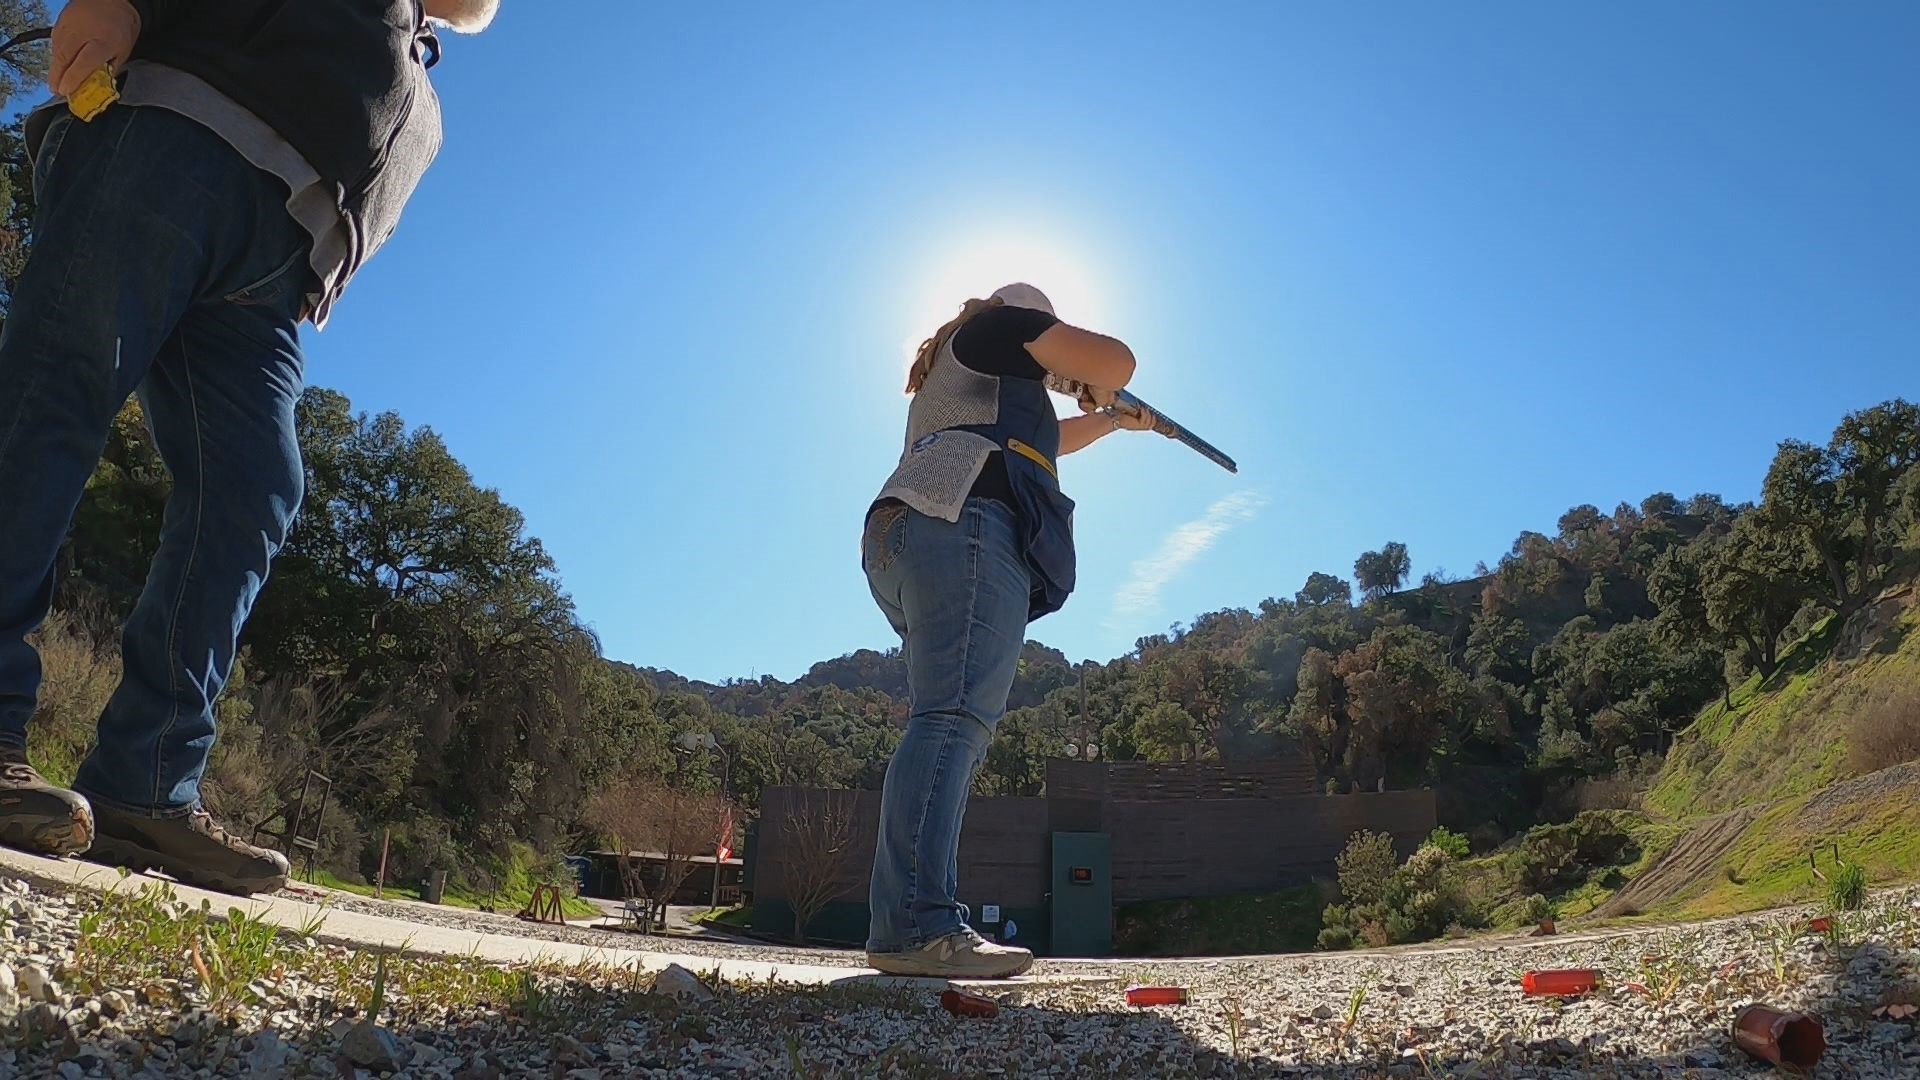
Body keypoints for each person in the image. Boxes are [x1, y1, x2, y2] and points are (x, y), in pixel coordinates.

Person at [0, 0, 498, 895]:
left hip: (271, 271)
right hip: (171, 142)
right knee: (53, 392)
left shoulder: (421, 80)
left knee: (256, 486)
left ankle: (143, 788)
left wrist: (329, 254)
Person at [860, 282, 1164, 977]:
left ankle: (908, 921)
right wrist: (1087, 377)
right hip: (963, 524)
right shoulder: (1001, 325)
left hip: (907, 535)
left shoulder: (966, 375)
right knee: (954, 720)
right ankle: (915, 927)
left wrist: (1112, 420)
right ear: (1027, 317)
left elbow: (1044, 442)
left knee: (945, 717)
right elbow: (1119, 360)